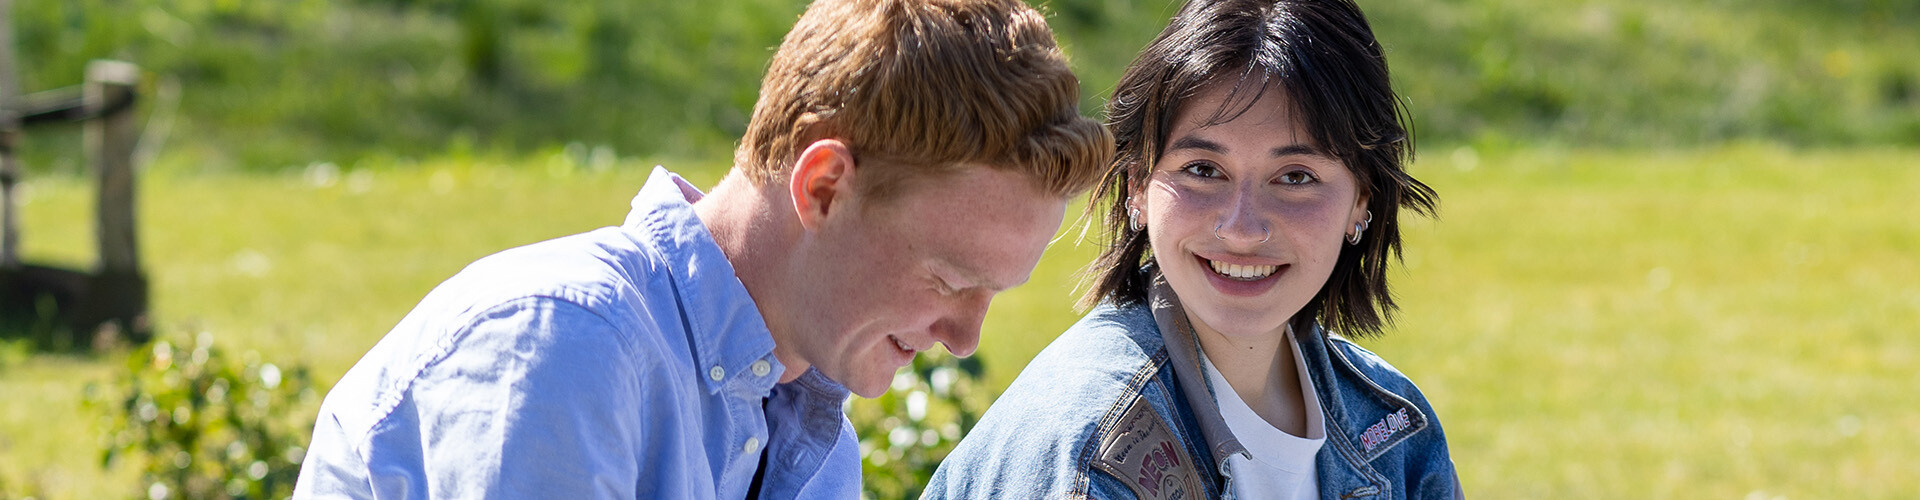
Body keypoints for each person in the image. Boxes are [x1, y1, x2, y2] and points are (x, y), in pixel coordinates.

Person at [292, 0, 1112, 497]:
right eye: (948, 277)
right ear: (823, 185)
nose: (965, 338)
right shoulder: (562, 344)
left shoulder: (805, 430)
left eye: (992, 295)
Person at [923, 0, 1462, 498]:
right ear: (1137, 185)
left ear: (1360, 200)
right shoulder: (1087, 454)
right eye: (1203, 170)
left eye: (1295, 176)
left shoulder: (1394, 427)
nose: (1242, 228)